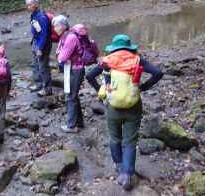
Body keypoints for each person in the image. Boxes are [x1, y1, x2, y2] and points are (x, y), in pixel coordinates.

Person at [86, 34, 163, 191]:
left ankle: (119, 167)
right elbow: (158, 73)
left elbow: (89, 76)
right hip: (134, 106)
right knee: (130, 140)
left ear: (113, 47)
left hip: (112, 106)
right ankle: (127, 173)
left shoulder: (107, 61)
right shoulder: (137, 59)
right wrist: (143, 88)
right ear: (129, 47)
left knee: (114, 138)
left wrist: (101, 92)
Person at [53, 16, 85, 133]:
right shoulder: (64, 37)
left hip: (76, 70)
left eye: (56, 26)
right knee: (74, 96)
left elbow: (62, 57)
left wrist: (60, 56)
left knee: (71, 97)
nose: (54, 28)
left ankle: (71, 126)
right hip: (71, 69)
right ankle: (79, 123)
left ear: (63, 26)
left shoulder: (70, 37)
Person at [26, 0, 52, 97]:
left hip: (43, 45)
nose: (28, 7)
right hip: (35, 43)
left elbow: (44, 34)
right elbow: (35, 28)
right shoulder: (33, 15)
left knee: (43, 67)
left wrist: (40, 49)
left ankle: (47, 89)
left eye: (30, 5)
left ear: (36, 4)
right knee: (34, 65)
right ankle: (38, 84)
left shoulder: (41, 17)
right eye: (27, 5)